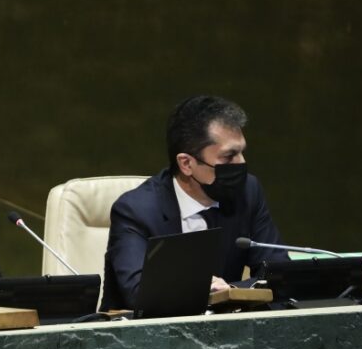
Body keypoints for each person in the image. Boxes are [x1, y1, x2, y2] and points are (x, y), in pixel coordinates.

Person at [101, 95, 288, 311]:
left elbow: (279, 275)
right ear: (187, 163)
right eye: (229, 157)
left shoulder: (247, 192)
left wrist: (228, 291)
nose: (241, 164)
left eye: (242, 152)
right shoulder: (136, 210)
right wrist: (203, 289)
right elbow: (139, 293)